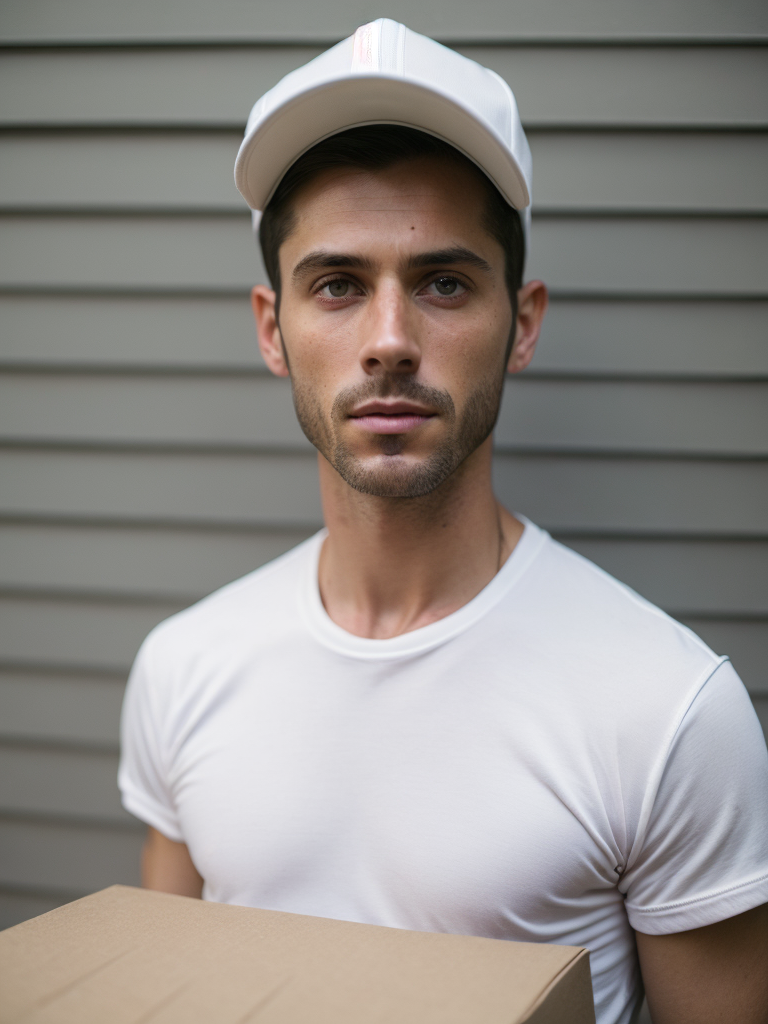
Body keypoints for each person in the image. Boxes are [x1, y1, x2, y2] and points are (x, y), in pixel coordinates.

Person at [119, 20, 768, 1024]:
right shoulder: (183, 666)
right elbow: (157, 996)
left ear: (524, 321)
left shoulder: (672, 712)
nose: (388, 340)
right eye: (337, 285)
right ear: (271, 329)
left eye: (444, 283)